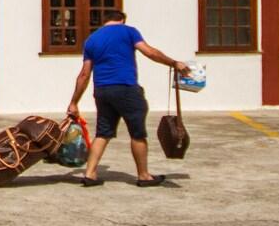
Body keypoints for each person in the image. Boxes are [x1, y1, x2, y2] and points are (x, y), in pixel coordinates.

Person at [65, 10, 189, 187]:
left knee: (103, 133)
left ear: (104, 21)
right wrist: (174, 63)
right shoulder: (129, 31)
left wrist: (74, 102)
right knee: (137, 133)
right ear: (122, 20)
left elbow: (84, 74)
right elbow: (150, 52)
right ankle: (144, 176)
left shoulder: (91, 40)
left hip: (102, 91)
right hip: (126, 89)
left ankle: (90, 173)